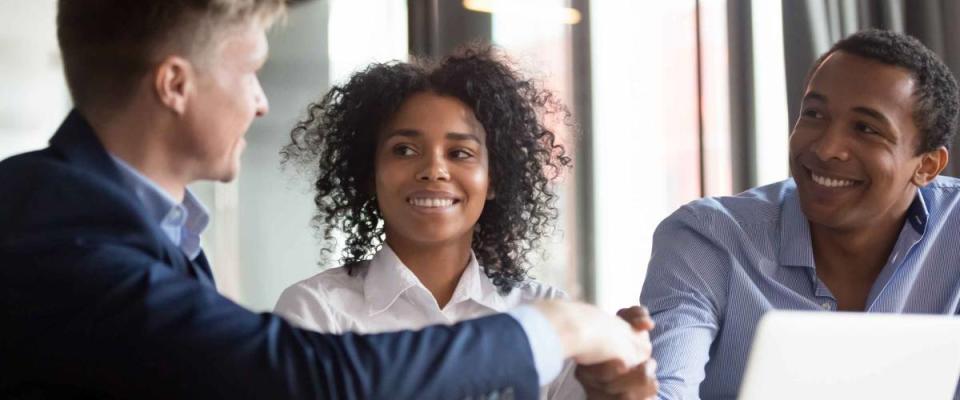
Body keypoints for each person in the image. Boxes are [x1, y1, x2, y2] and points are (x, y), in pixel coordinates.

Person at [0, 1, 653, 398]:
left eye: (460, 152)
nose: (260, 102)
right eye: (250, 68)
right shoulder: (64, 235)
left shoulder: (143, 228)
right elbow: (308, 380)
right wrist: (560, 328)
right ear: (175, 83)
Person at [583, 29, 960, 399]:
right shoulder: (707, 238)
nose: (827, 147)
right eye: (814, 114)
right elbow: (666, 389)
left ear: (927, 166)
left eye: (865, 128)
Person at [274, 46, 619, 399]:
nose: (434, 170)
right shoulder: (317, 312)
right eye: (404, 150)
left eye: (460, 153)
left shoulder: (545, 313)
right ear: (368, 173)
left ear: (495, 179)